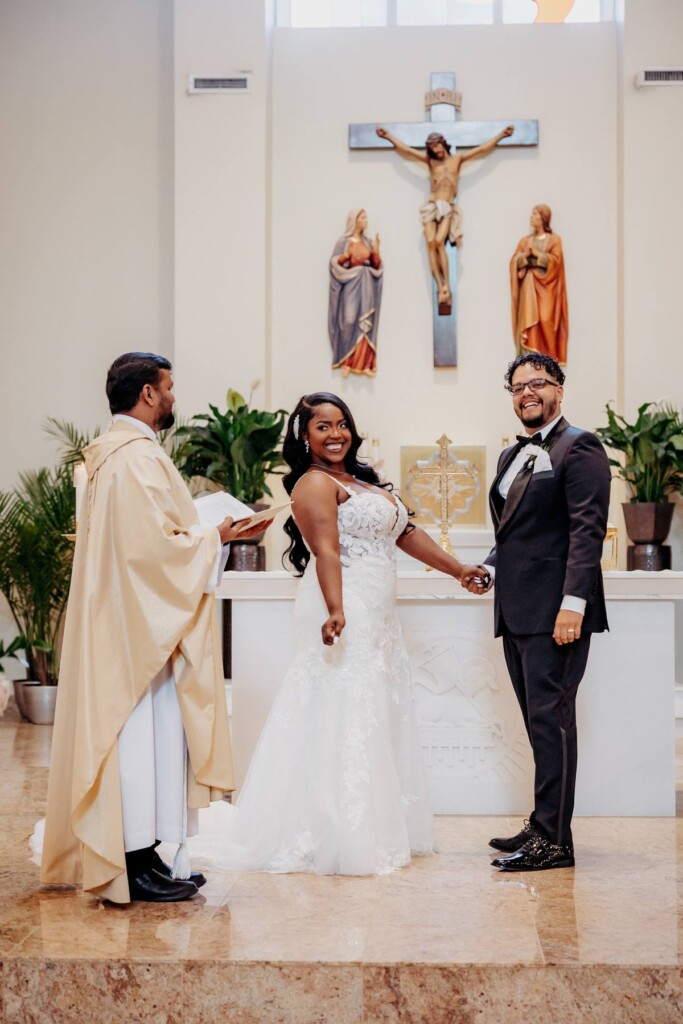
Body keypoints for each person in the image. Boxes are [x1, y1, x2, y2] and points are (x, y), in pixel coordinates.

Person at [189, 392, 482, 876]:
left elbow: (406, 533)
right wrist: (336, 609)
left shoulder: (363, 482)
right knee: (343, 705)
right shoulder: (312, 484)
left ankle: (372, 823)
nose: (335, 434)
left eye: (341, 423)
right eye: (322, 426)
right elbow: (325, 550)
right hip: (340, 604)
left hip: (376, 611)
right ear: (304, 435)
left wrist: (457, 570)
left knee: (371, 705)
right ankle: (332, 832)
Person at [38, 352, 267, 903]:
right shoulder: (135, 459)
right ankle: (134, 862)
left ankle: (151, 858)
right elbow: (153, 552)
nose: (171, 396)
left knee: (149, 742)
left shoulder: (109, 456)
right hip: (137, 630)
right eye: (168, 387)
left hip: (130, 620)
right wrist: (219, 535)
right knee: (138, 740)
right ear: (146, 393)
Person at [462, 354, 610, 871]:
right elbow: (515, 534)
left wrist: (574, 605)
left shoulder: (580, 446)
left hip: (556, 613)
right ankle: (544, 822)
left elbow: (586, 531)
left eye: (538, 383)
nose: (527, 392)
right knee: (538, 722)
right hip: (517, 609)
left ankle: (554, 842)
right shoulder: (510, 456)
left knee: (553, 721)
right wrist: (489, 568)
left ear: (559, 390)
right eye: (518, 385)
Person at [376, 124, 514, 313]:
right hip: (431, 205)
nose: (435, 150)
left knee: (440, 241)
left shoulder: (457, 159)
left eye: (437, 145)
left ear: (443, 144)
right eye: (432, 148)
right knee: (431, 242)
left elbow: (481, 150)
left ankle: (446, 285)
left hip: (447, 206)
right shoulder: (430, 162)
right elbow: (407, 151)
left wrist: (501, 136)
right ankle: (439, 285)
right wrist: (388, 137)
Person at [510, 204, 568, 364]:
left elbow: (556, 262)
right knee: (529, 322)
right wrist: (524, 257)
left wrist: (537, 255)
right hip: (528, 288)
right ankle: (528, 359)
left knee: (545, 319)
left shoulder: (554, 240)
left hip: (547, 288)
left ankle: (549, 362)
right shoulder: (525, 241)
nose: (531, 217)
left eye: (535, 214)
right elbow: (515, 262)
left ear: (543, 218)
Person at [328, 208, 383, 377]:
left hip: (366, 287)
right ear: (355, 220)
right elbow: (335, 263)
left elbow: (376, 266)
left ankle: (365, 363)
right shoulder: (344, 242)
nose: (366, 220)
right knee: (349, 320)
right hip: (350, 288)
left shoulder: (367, 242)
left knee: (365, 324)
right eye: (363, 217)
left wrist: (375, 251)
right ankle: (345, 359)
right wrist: (345, 256)